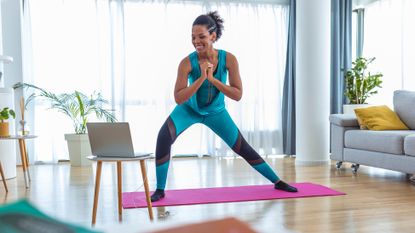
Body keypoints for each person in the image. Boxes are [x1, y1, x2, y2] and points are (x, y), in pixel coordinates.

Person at [151, 11, 297, 202]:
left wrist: (212, 79)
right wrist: (202, 77)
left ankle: (278, 182)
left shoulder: (229, 60)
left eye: (201, 37)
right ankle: (160, 190)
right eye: (193, 37)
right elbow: (179, 98)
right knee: (163, 137)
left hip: (216, 112)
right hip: (188, 110)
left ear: (213, 36)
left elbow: (237, 94)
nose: (196, 41)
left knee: (242, 147)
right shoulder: (187, 63)